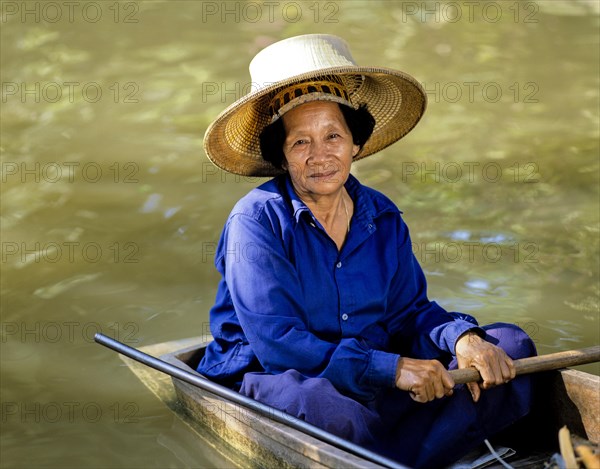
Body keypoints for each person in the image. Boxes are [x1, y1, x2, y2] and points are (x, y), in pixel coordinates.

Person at [198, 34, 535, 468]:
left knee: (510, 345)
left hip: (370, 370)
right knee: (327, 410)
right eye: (301, 142)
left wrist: (463, 339)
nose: (320, 155)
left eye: (333, 136)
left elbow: (409, 312)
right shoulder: (255, 221)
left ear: (355, 144)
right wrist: (391, 370)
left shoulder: (381, 214)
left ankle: (398, 453)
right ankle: (427, 448)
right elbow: (280, 345)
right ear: (281, 155)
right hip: (283, 376)